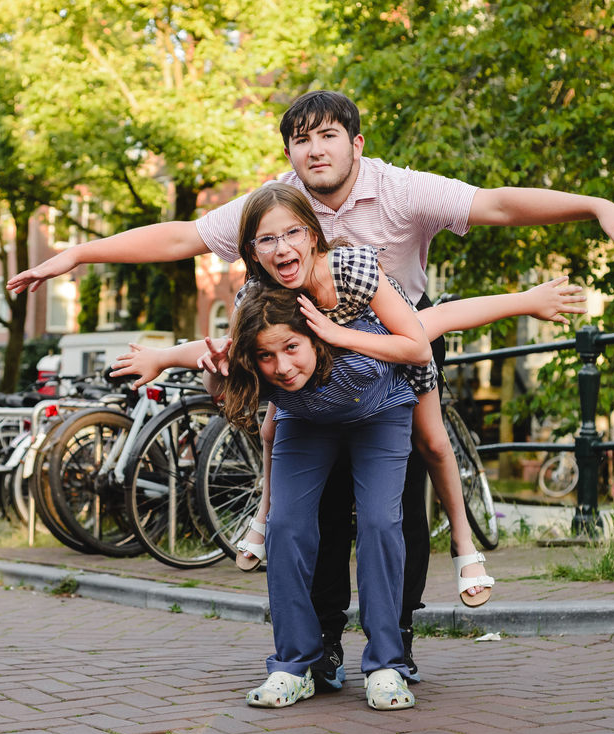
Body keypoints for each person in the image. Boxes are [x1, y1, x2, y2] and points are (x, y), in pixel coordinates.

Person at [8, 90, 614, 687]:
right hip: (305, 344)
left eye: (327, 135)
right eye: (300, 138)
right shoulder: (276, 208)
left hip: (397, 338)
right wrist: (80, 254)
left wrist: (592, 205)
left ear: (355, 144)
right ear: (289, 155)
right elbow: (184, 235)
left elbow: (495, 205)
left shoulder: (401, 190)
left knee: (397, 510)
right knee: (316, 505)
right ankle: (319, 645)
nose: (313, 148)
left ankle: (396, 644)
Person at [110, 182, 585, 612]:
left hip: (390, 349)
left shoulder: (349, 269)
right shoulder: (263, 292)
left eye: (291, 234)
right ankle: (264, 514)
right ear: (252, 253)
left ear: (313, 236)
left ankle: (464, 541)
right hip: (321, 367)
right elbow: (229, 349)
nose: (280, 248)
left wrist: (527, 301)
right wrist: (164, 357)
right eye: (266, 241)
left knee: (435, 444)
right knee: (273, 426)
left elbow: (436, 323)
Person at [208, 282, 419, 711]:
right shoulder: (267, 369)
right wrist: (198, 365)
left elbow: (437, 326)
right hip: (304, 417)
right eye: (266, 356)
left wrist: (527, 302)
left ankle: (385, 665)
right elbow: (207, 366)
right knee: (285, 524)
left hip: (380, 413)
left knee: (380, 521)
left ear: (315, 335)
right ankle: (293, 665)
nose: (281, 366)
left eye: (290, 348)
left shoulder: (359, 349)